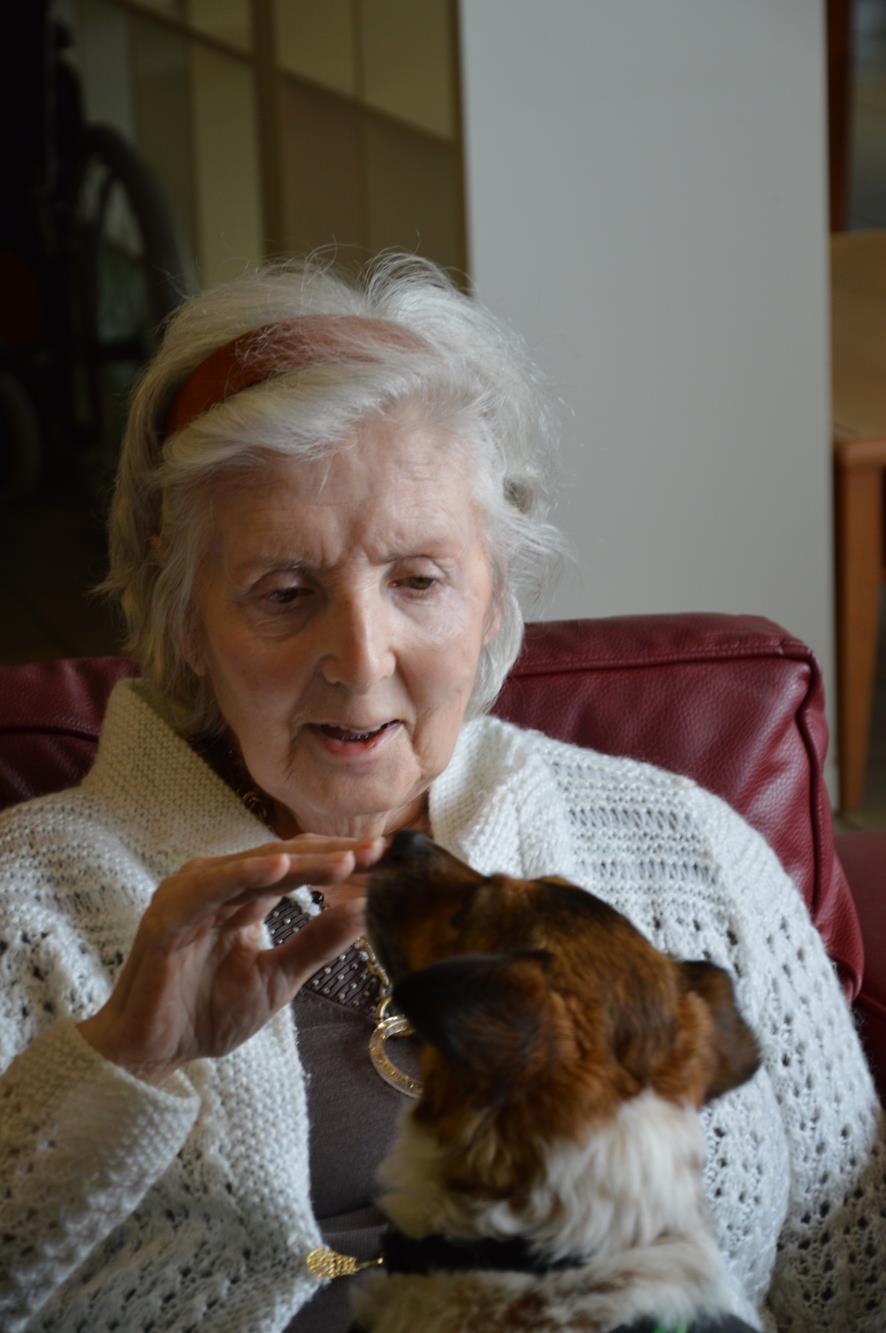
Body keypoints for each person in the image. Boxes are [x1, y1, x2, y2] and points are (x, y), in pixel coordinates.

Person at [0, 254, 883, 1333]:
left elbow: (856, 1278)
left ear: (493, 589)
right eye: (284, 592)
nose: (361, 660)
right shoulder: (28, 907)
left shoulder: (689, 856)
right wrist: (117, 1061)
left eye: (417, 580)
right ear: (185, 609)